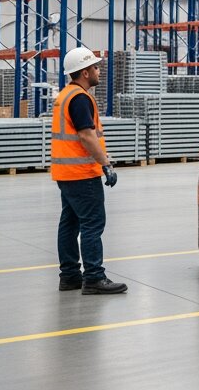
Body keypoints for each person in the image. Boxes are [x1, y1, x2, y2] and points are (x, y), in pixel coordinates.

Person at [52, 46, 127, 294]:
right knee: (93, 224)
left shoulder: (66, 94)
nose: (98, 70)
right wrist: (105, 164)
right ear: (84, 72)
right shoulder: (80, 98)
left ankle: (70, 276)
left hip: (66, 174)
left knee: (70, 223)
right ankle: (94, 277)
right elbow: (86, 135)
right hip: (82, 174)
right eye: (95, 67)